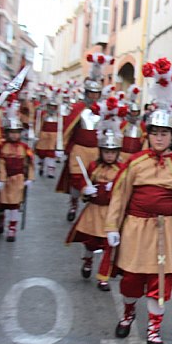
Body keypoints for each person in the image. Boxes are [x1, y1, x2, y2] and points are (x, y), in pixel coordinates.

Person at [105, 57, 172, 344]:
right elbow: (120, 195)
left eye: (164, 133)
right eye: (155, 133)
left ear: (171, 137)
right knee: (131, 280)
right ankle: (128, 314)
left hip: (165, 232)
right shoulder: (135, 163)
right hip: (134, 229)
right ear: (149, 135)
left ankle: (154, 331)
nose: (159, 138)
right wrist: (112, 228)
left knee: (160, 281)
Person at [65, 130, 122, 291]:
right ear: (101, 152)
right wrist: (86, 189)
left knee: (109, 245)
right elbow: (85, 181)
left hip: (111, 214)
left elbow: (125, 191)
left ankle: (103, 277)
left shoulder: (122, 170)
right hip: (93, 212)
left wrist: (115, 189)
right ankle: (88, 260)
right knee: (90, 242)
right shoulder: (93, 166)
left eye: (112, 152)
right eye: (106, 152)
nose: (109, 156)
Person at [56, 53, 111, 222]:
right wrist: (61, 147)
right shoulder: (78, 107)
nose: (94, 96)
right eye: (91, 93)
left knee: (94, 178)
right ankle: (73, 204)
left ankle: (91, 204)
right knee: (77, 177)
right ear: (87, 92)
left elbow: (108, 130)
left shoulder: (104, 109)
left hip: (95, 150)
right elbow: (67, 128)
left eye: (97, 93)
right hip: (79, 148)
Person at [0, 104, 34, 242]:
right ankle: (0, 220)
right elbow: (0, 164)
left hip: (18, 180)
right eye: (11, 132)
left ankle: (12, 228)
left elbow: (29, 164)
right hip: (5, 180)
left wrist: (29, 178)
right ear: (6, 132)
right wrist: (1, 179)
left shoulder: (24, 148)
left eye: (17, 132)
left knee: (14, 205)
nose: (14, 135)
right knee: (1, 204)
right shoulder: (2, 147)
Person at [119, 84, 147, 162]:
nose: (134, 114)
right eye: (133, 112)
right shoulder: (124, 123)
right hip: (122, 154)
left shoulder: (142, 125)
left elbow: (144, 141)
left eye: (136, 112)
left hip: (135, 156)